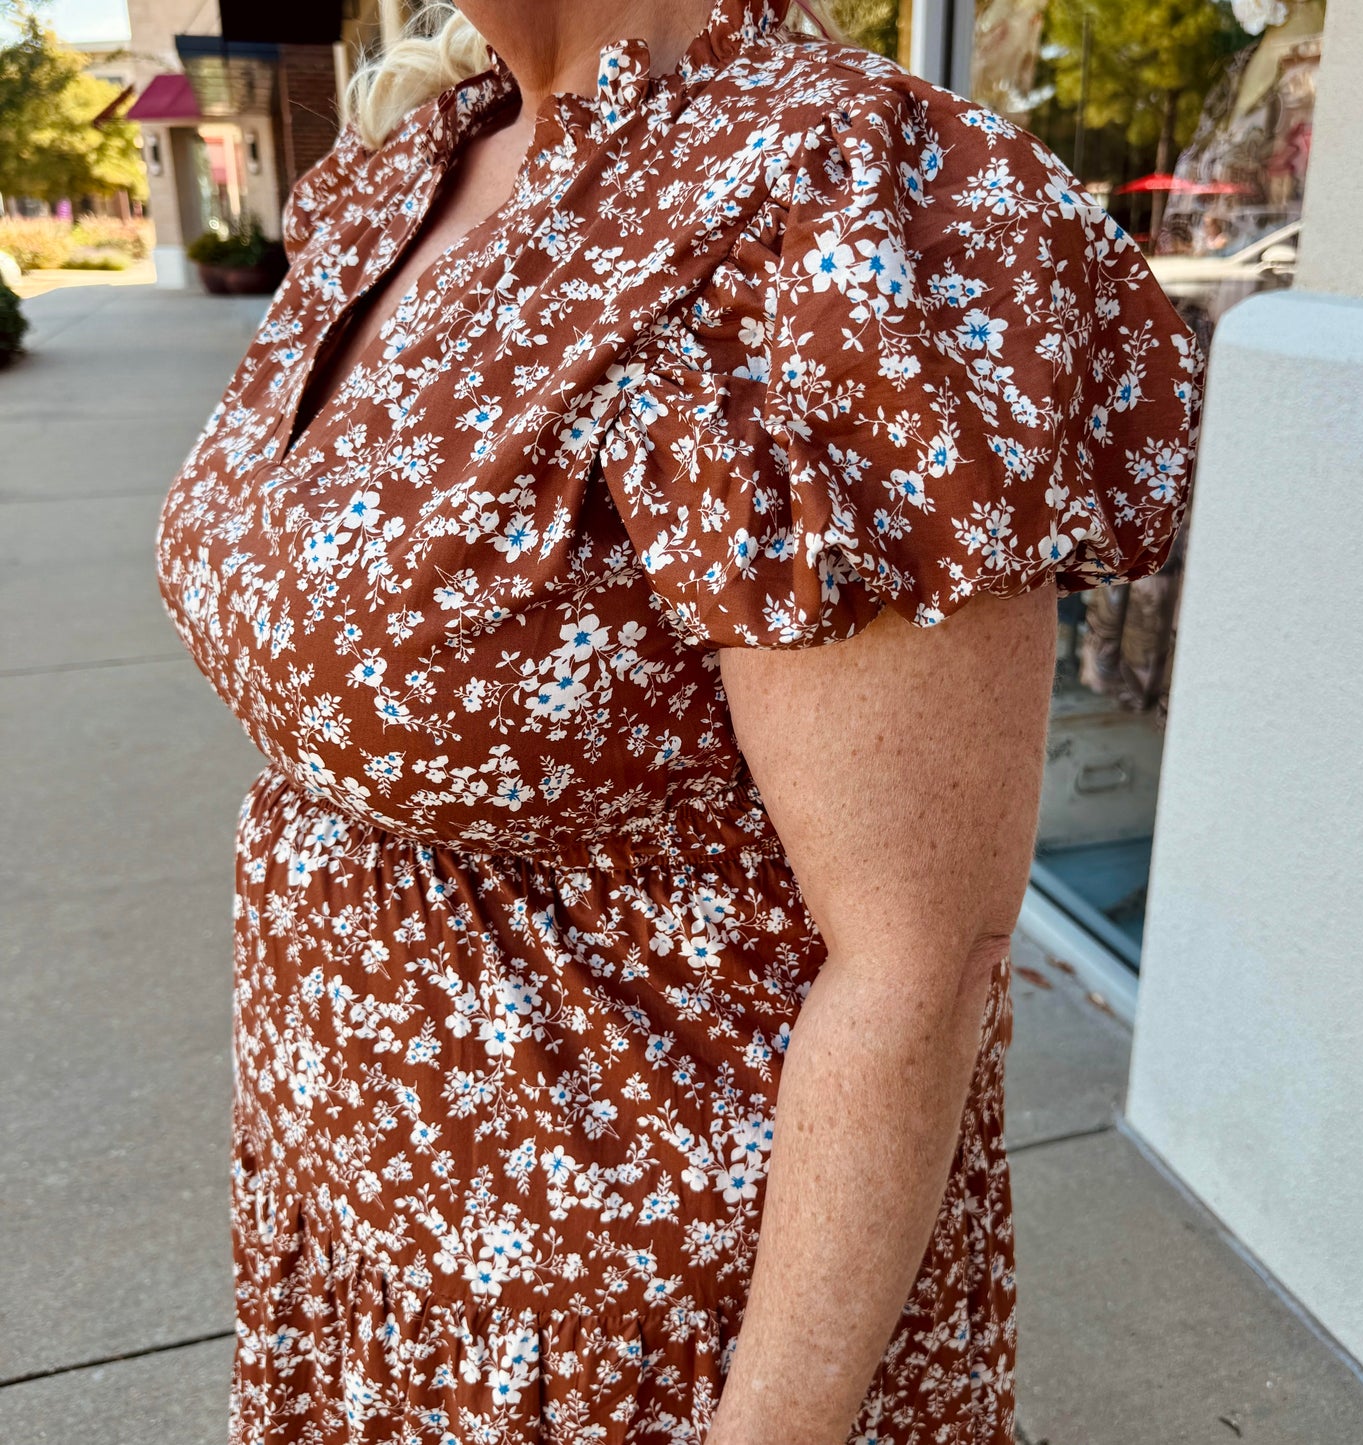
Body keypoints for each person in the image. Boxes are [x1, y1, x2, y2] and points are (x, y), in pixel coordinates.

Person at [154, 0, 1201, 1440]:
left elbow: (920, 961)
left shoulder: (823, 202)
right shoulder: (427, 161)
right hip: (359, 1229)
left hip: (622, 1341)